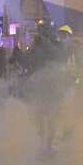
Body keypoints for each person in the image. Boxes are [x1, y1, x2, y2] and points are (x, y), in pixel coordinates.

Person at [25, 21, 76, 156]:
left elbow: (59, 56)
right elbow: (30, 62)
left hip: (52, 85)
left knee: (50, 114)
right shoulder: (39, 45)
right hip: (44, 85)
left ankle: (47, 145)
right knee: (43, 114)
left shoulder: (53, 44)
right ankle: (45, 144)